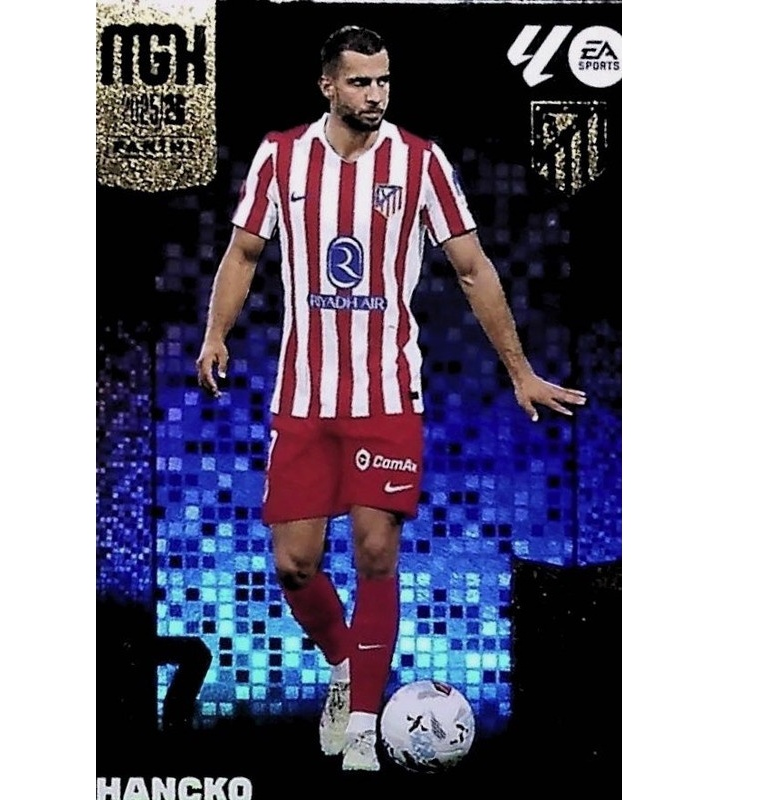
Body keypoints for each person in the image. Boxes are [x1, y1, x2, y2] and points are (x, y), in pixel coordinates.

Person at [195, 24, 586, 772]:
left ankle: (365, 728)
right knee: (295, 567)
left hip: (386, 396)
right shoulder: (281, 155)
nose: (375, 94)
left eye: (383, 81)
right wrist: (217, 333)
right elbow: (243, 254)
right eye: (360, 81)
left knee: (376, 554)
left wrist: (520, 370)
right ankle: (345, 665)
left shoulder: (420, 162)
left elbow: (473, 268)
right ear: (328, 86)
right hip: (304, 396)